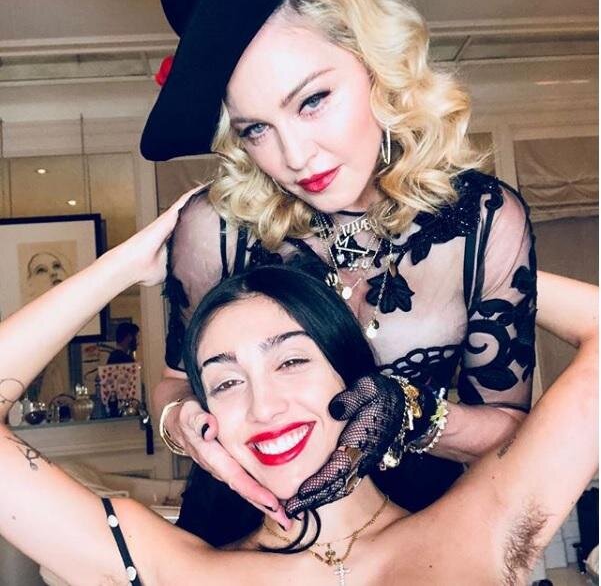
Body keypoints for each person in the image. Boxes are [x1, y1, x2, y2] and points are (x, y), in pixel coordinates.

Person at [0, 202, 597, 586]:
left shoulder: (486, 523)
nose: (263, 407)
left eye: (290, 360)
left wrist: (463, 266)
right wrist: (124, 266)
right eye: (226, 382)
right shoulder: (170, 568)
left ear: (353, 373)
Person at [141, 0, 539, 539]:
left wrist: (413, 416)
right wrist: (182, 422)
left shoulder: (482, 219)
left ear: (378, 67)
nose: (295, 156)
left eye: (312, 101)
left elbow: (511, 430)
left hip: (420, 544)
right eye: (256, 129)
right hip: (246, 540)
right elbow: (173, 383)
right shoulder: (219, 225)